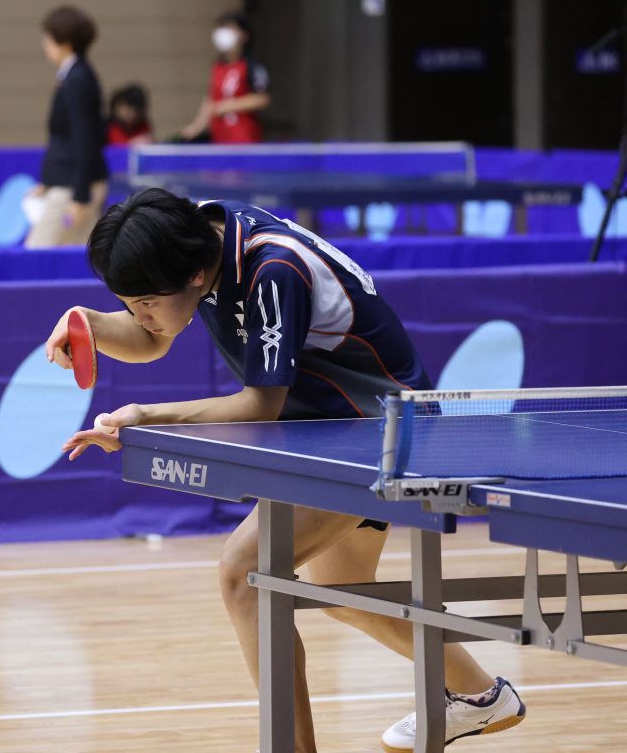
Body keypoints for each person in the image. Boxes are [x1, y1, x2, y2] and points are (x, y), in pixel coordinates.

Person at [44, 189, 525, 753]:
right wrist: (91, 324)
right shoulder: (191, 236)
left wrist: (149, 416)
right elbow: (154, 337)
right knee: (343, 592)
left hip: (382, 432)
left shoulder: (273, 269)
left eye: (143, 300)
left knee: (243, 574)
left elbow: (259, 406)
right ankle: (481, 697)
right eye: (129, 301)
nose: (139, 314)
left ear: (198, 277)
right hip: (332, 431)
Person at [25, 5, 109, 249]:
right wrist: (48, 181)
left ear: (64, 41)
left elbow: (85, 138)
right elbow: (64, 137)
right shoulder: (71, 75)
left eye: (48, 37)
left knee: (37, 252)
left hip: (74, 187)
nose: (44, 43)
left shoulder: (78, 79)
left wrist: (80, 195)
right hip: (66, 183)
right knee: (82, 258)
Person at [179, 12, 270, 144]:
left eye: (231, 28)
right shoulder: (217, 66)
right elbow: (211, 100)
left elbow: (262, 98)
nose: (225, 33)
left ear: (244, 35)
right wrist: (195, 127)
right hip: (220, 139)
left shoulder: (251, 66)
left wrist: (228, 106)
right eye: (223, 28)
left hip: (244, 140)